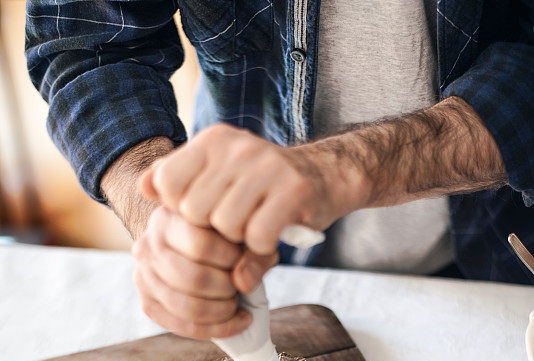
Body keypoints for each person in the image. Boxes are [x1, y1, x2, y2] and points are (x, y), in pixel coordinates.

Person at [26, 1, 534, 340]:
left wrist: (345, 168)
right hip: (255, 255)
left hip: (497, 263)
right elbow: (87, 44)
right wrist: (155, 208)